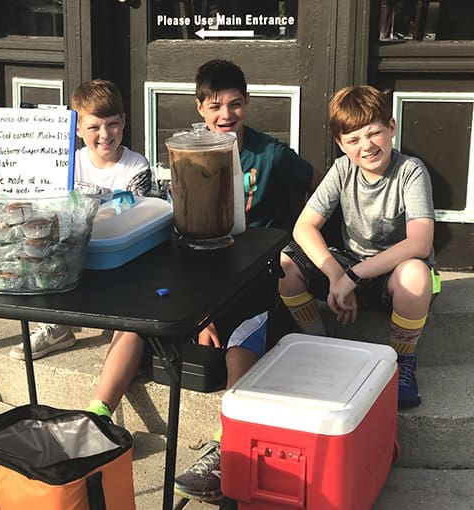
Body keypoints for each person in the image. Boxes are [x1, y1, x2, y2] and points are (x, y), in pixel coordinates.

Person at [79, 60, 319, 503]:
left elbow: (314, 190)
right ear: (199, 108)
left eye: (234, 104)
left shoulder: (269, 154)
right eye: (215, 106)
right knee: (139, 320)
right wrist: (196, 312)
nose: (225, 114)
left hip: (251, 271)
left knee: (242, 335)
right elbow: (176, 223)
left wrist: (293, 237)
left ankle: (226, 447)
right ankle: (97, 418)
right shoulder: (189, 153)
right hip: (196, 265)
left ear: (246, 104)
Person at [278, 85, 438, 412]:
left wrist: (352, 276)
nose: (366, 146)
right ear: (340, 144)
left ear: (391, 128)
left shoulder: (410, 170)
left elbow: (420, 242)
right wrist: (338, 275)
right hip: (351, 267)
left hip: (394, 276)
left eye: (374, 133)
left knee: (416, 275)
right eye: (353, 139)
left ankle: (401, 363)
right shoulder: (342, 170)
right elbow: (303, 227)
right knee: (285, 264)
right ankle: (317, 345)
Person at [8, 79, 152, 361]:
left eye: (112, 124)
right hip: (72, 249)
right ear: (77, 128)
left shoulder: (136, 165)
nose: (104, 134)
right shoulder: (67, 164)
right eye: (93, 126)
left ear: (123, 121)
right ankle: (56, 324)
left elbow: (135, 217)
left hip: (117, 253)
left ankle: (123, 318)